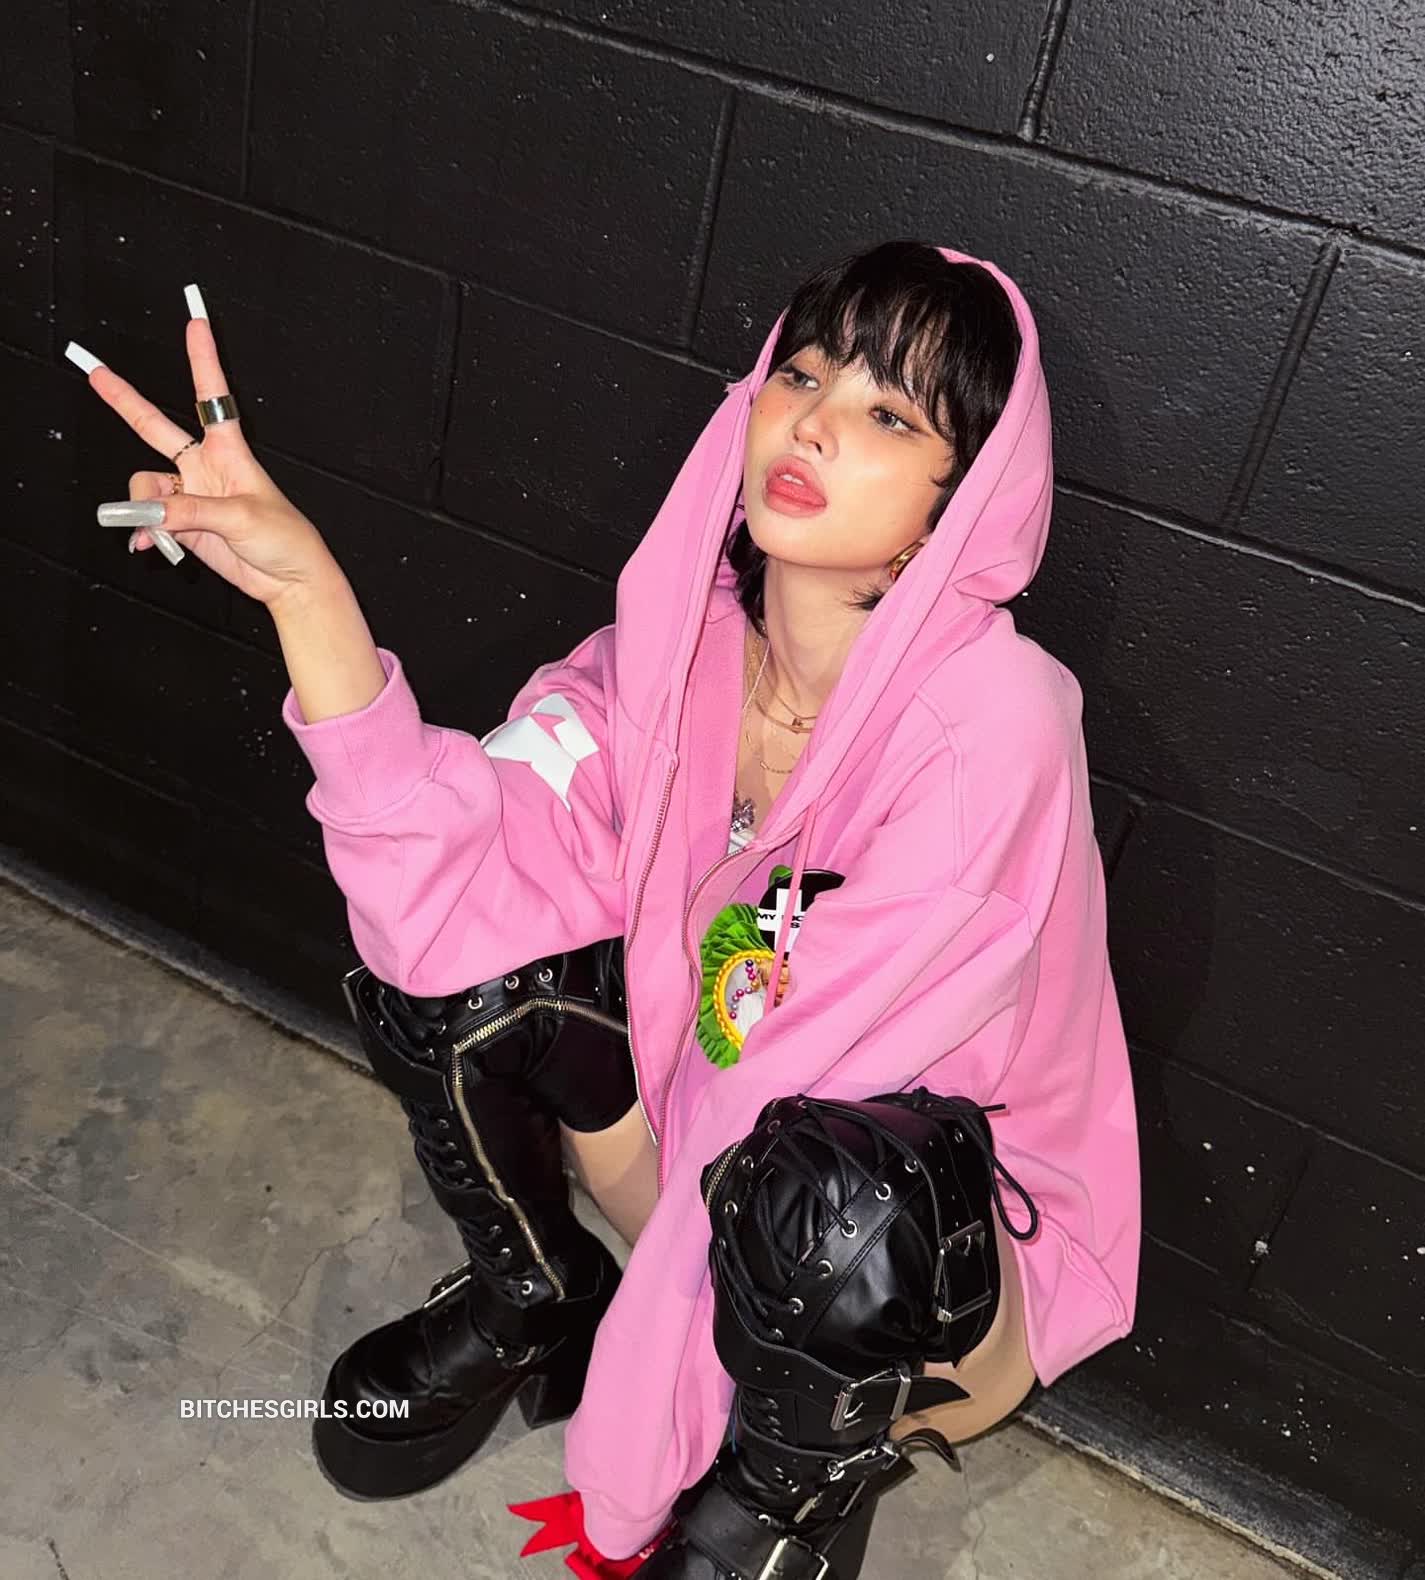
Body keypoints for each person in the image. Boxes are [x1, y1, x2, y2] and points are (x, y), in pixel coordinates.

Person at [73, 241, 1140, 1578]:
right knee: (459, 980)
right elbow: (449, 865)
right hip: (700, 1151)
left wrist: (639, 1441)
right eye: (802, 373)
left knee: (830, 1205)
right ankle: (534, 1293)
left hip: (910, 1263)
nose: (812, 422)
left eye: (888, 415)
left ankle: (784, 1501)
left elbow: (801, 1080)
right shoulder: (669, 655)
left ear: (958, 501)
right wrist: (307, 592)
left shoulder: (994, 726)